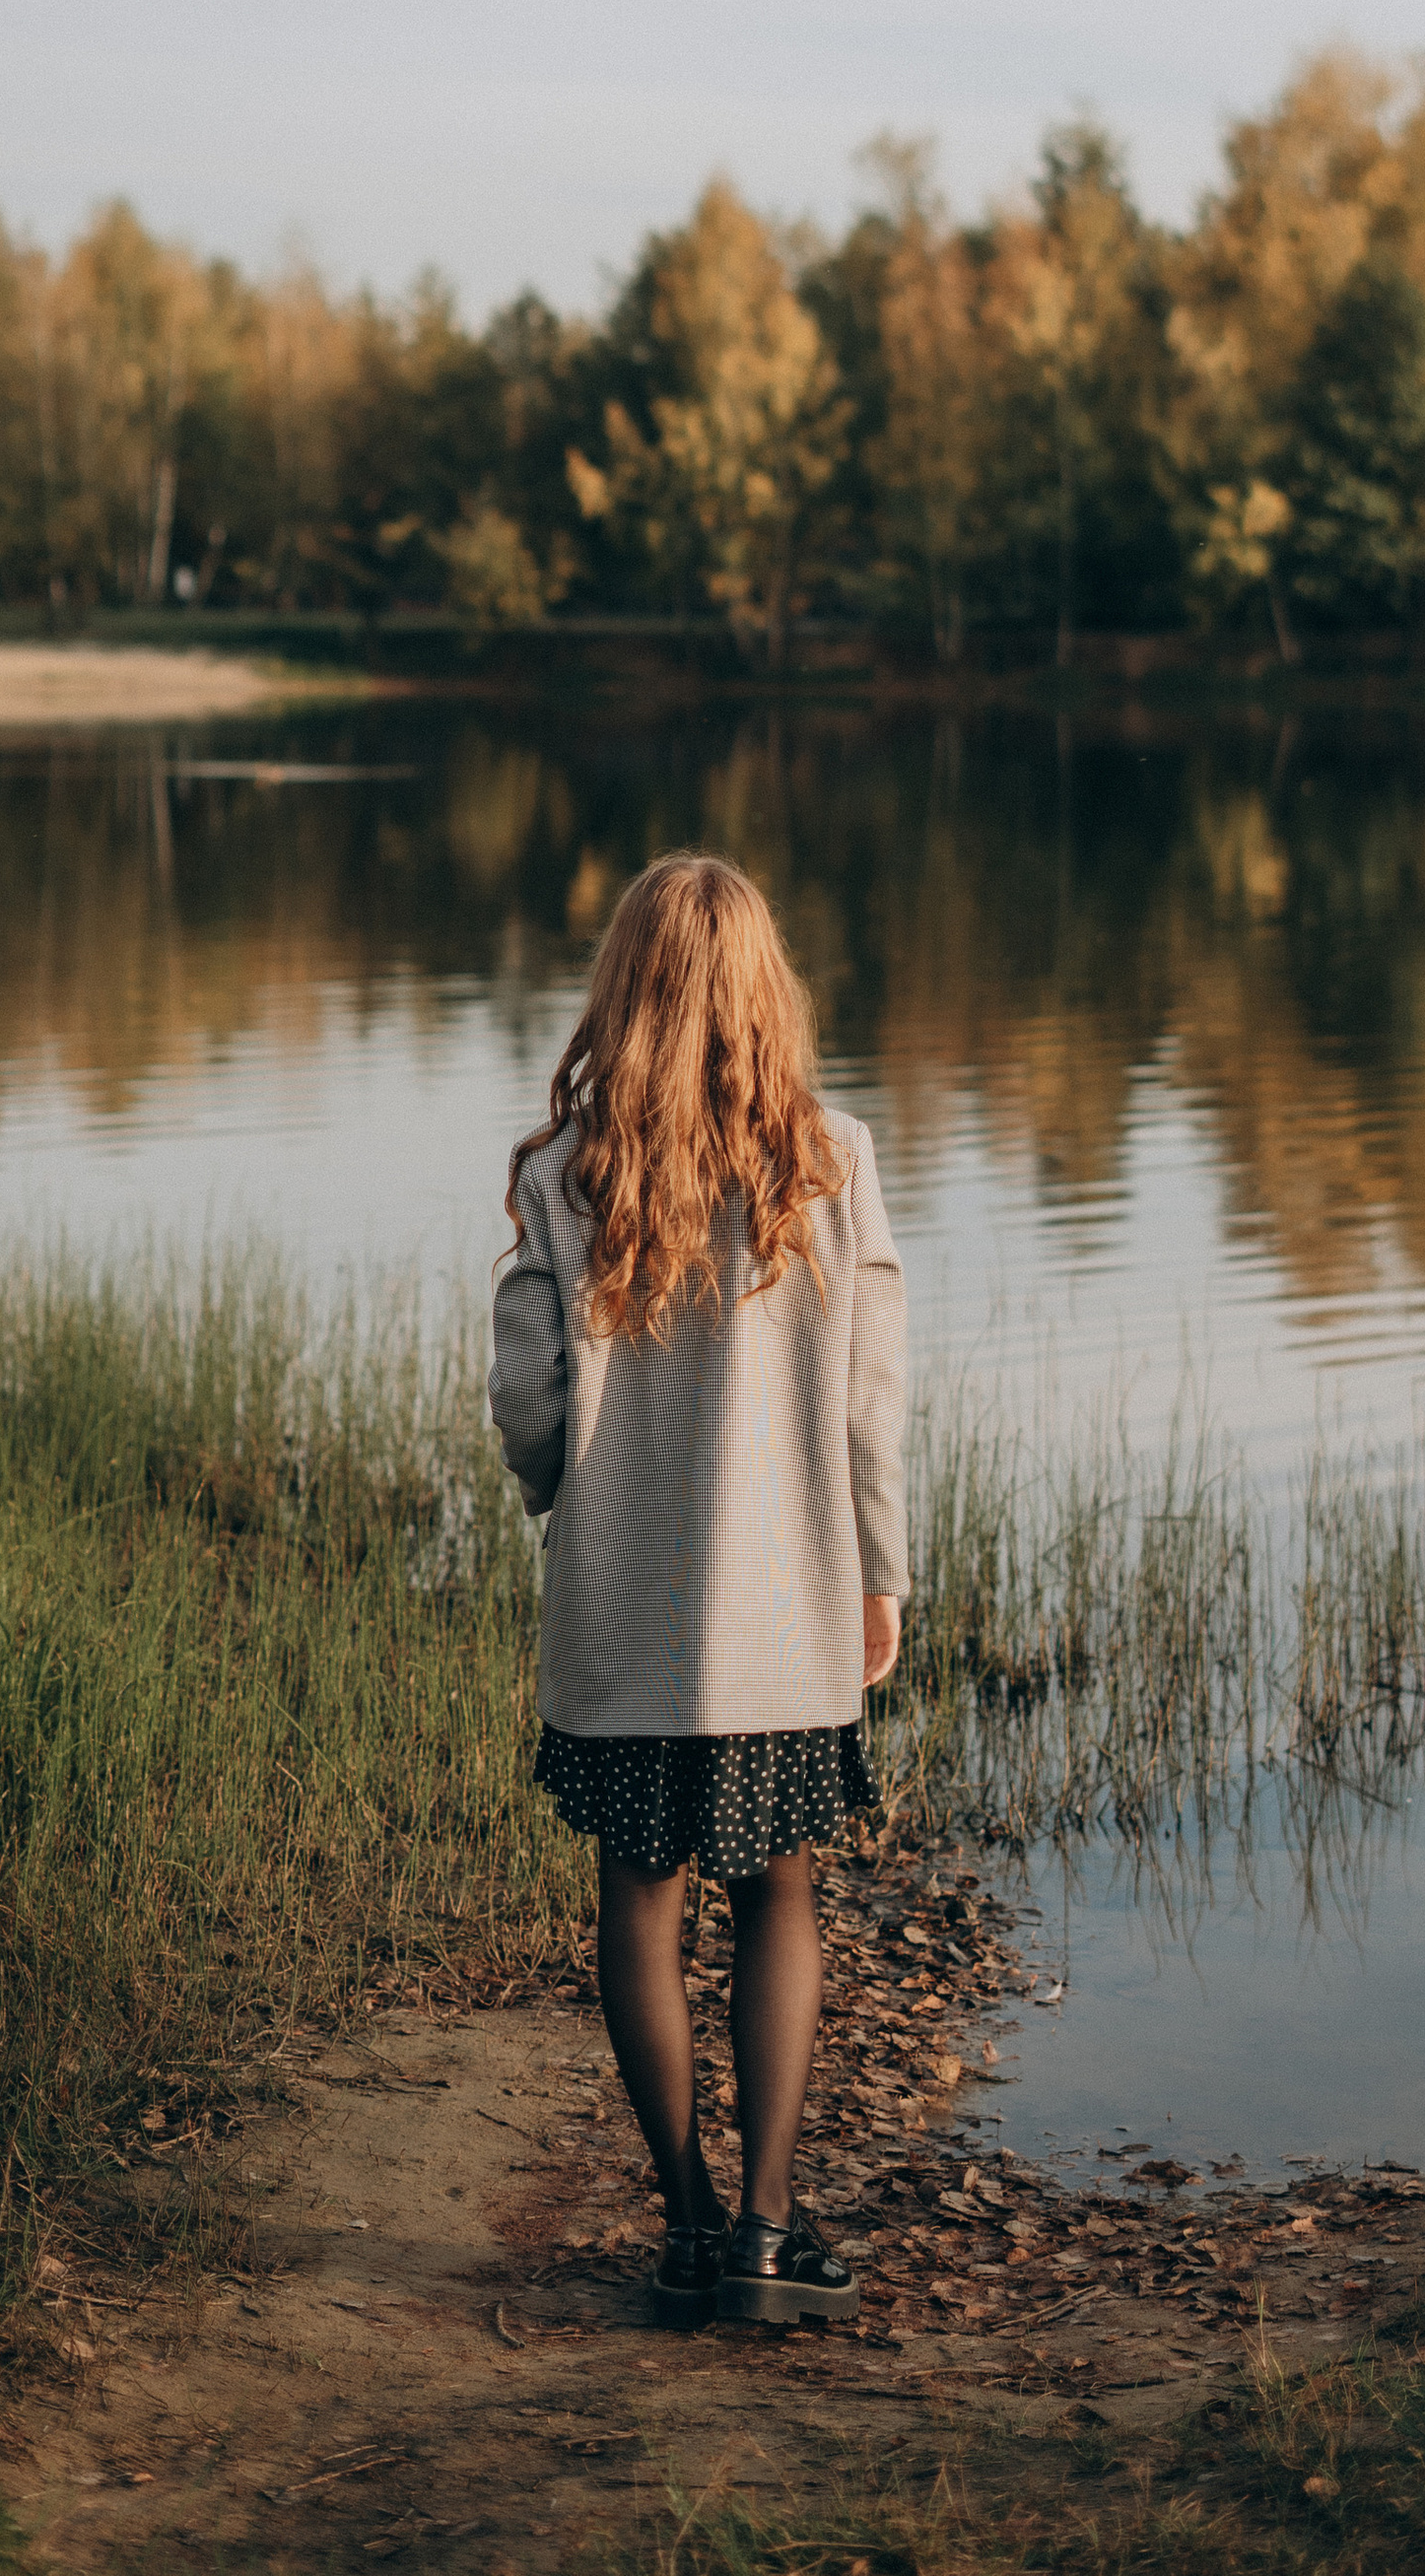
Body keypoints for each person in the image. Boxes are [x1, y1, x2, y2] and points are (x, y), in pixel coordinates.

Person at [489, 852, 908, 2328]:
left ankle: (682, 2224)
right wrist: (882, 1574)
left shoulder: (565, 1174)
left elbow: (529, 1406)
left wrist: (560, 1490)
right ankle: (766, 2235)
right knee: (781, 1887)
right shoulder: (831, 1160)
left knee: (639, 1892)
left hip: (623, 1620)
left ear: (626, 990)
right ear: (764, 995)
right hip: (786, 1614)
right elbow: (870, 1409)